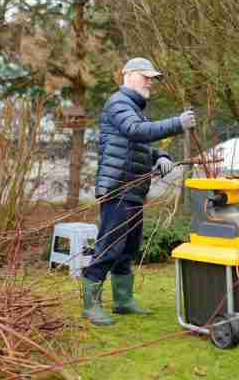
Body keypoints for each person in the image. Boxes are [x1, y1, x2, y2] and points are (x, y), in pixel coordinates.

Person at [81, 57, 196, 325]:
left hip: (133, 189)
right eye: (146, 77)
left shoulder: (133, 107)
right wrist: (177, 123)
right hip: (119, 188)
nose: (150, 83)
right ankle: (90, 306)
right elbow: (136, 131)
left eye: (152, 79)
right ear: (129, 75)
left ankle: (123, 301)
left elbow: (139, 144)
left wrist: (161, 156)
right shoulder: (119, 103)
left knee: (127, 248)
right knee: (109, 248)